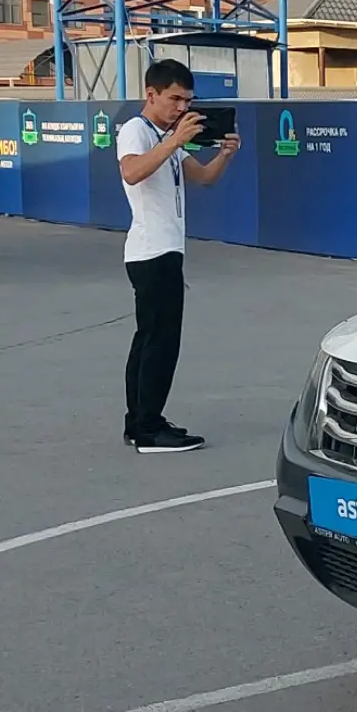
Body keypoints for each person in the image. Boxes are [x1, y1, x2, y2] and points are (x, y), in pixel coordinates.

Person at [116, 59, 240, 454]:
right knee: (161, 342)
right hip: (152, 249)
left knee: (149, 339)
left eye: (187, 101)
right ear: (150, 94)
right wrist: (172, 140)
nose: (181, 108)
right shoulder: (138, 130)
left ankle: (140, 420)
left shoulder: (165, 135)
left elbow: (203, 178)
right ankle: (149, 429)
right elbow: (132, 172)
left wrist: (224, 154)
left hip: (164, 249)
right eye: (174, 99)